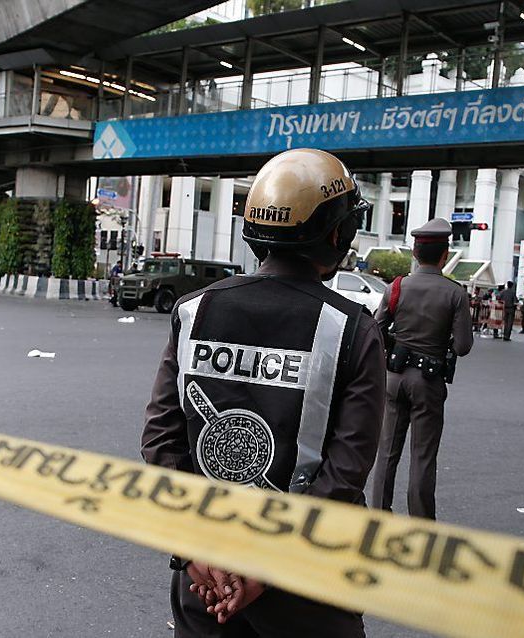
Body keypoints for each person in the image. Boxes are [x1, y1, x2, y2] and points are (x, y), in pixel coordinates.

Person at [141, 148, 383, 637]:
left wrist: (192, 554)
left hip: (205, 580)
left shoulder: (194, 311)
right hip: (306, 580)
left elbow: (160, 441)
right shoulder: (353, 329)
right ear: (338, 233)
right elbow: (345, 471)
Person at [370, 217, 474, 520]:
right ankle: (421, 523)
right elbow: (463, 347)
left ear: (415, 253)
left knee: (387, 453)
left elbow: (377, 330)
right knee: (423, 457)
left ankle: (378, 517)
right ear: (445, 254)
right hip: (428, 382)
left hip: (394, 377)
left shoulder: (397, 286)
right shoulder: (455, 293)